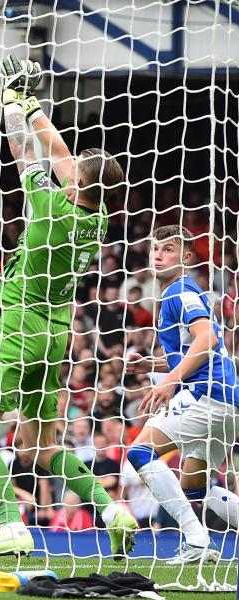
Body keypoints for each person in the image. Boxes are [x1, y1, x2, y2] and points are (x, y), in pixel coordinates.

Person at [0, 56, 133, 561]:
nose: (68, 166)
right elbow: (58, 151)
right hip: (55, 336)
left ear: (75, 183)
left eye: (74, 170)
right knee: (41, 447)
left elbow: (25, 151)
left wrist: (11, 102)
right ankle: (112, 511)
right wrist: (30, 102)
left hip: (16, 326)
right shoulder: (98, 217)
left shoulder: (51, 208)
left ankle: (12, 527)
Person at [124, 225, 239, 564]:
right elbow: (195, 350)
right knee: (194, 487)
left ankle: (196, 539)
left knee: (140, 452)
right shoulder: (181, 292)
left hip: (206, 395)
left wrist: (169, 381)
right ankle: (198, 538)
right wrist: (153, 364)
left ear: (186, 257)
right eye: (155, 249)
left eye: (168, 249)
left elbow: (208, 340)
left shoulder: (181, 292)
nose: (158, 255)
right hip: (228, 401)